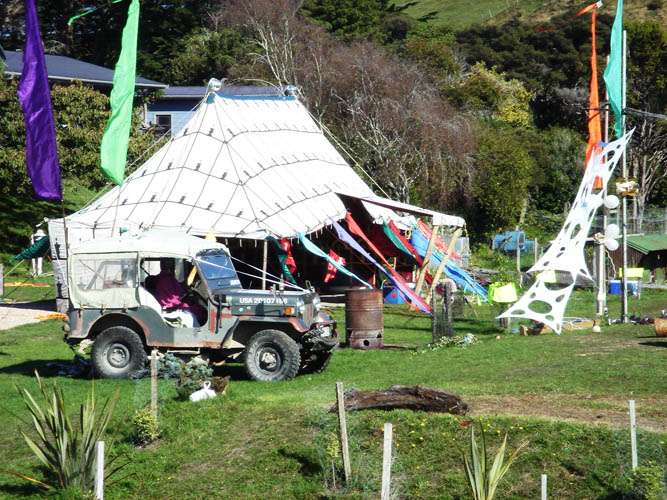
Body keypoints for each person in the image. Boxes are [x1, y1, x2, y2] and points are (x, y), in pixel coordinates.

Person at [154, 258, 205, 327]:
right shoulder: (165, 279)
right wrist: (182, 298)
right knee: (196, 310)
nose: (170, 265)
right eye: (168, 263)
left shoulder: (168, 277)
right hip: (170, 305)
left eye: (171, 263)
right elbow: (170, 297)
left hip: (173, 303)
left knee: (196, 307)